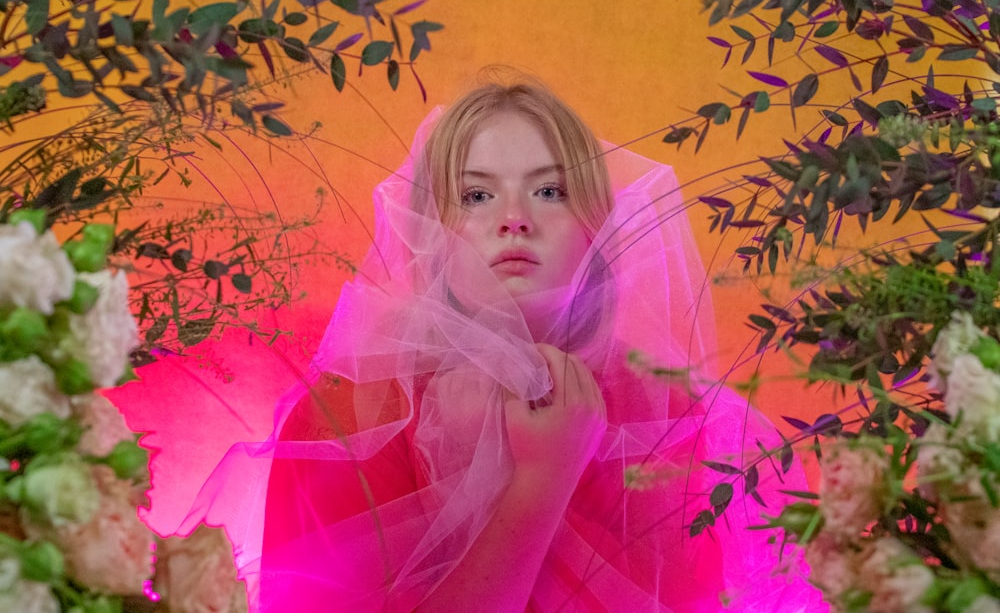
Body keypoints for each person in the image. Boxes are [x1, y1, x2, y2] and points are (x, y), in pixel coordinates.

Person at [112, 77, 823, 611]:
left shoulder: (669, 419)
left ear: (598, 229)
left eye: (549, 192)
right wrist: (540, 483)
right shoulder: (347, 423)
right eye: (476, 196)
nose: (514, 218)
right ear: (428, 232)